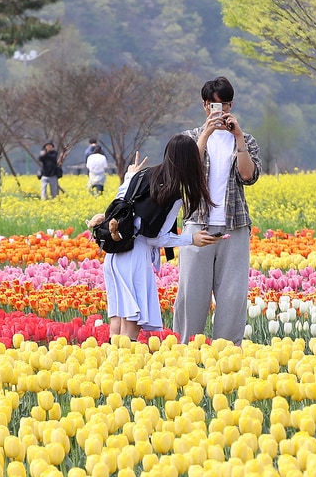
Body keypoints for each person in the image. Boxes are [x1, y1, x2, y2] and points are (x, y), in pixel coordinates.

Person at [88, 134, 218, 340]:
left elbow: (119, 203)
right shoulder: (172, 194)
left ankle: (111, 357)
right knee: (132, 321)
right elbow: (156, 238)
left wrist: (130, 176)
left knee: (118, 318)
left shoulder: (143, 175)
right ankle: (126, 357)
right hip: (135, 256)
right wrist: (190, 239)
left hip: (114, 252)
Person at [171, 76, 261, 344]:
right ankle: (186, 351)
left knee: (233, 296)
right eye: (213, 105)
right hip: (198, 224)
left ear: (231, 105)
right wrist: (206, 134)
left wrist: (238, 137)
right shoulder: (190, 138)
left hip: (235, 226)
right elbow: (185, 172)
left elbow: (248, 176)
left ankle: (227, 353)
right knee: (191, 295)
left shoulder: (245, 139)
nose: (219, 111)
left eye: (224, 105)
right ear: (205, 105)